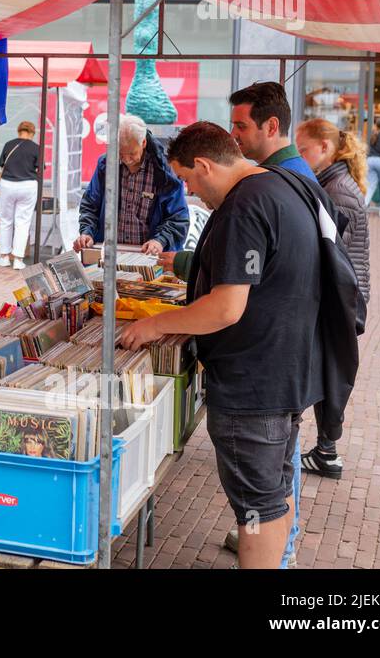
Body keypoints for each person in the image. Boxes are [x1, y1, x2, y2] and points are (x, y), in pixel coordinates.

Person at [120, 123, 325, 569]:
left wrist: (158, 326)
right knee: (273, 496)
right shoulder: (282, 185)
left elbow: (227, 308)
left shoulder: (244, 207)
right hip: (284, 373)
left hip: (254, 386)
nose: (191, 193)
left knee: (257, 509)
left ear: (205, 165)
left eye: (189, 180)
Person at [295, 118, 371, 479]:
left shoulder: (338, 191)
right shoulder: (334, 183)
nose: (299, 155)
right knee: (329, 370)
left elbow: (331, 251)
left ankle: (328, 452)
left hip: (343, 298)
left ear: (324, 149)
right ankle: (327, 450)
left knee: (331, 372)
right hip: (345, 295)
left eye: (304, 149)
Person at [74, 113, 189, 257]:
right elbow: (90, 205)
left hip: (151, 257)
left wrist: (159, 240)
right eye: (121, 153)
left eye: (132, 153)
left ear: (143, 143)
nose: (127, 160)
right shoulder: (106, 165)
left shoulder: (165, 171)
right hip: (110, 256)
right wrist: (87, 232)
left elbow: (178, 218)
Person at [0, 121, 42, 269]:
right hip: (28, 186)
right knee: (23, 222)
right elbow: (40, 169)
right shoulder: (36, 148)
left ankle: (3, 257)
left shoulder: (9, 144)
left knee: (6, 220)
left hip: (8, 184)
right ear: (32, 133)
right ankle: (18, 259)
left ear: (19, 131)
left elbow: (2, 166)